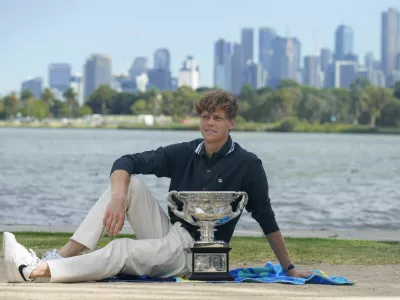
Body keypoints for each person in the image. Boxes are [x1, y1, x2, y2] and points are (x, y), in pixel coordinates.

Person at [3, 89, 313, 283]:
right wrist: (118, 197)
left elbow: (266, 218)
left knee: (122, 248)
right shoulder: (186, 151)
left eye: (217, 118)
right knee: (131, 184)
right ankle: (63, 255)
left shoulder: (248, 164)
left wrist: (289, 268)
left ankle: (37, 271)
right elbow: (126, 160)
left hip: (193, 251)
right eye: (205, 116)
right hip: (168, 235)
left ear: (231, 122)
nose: (209, 123)